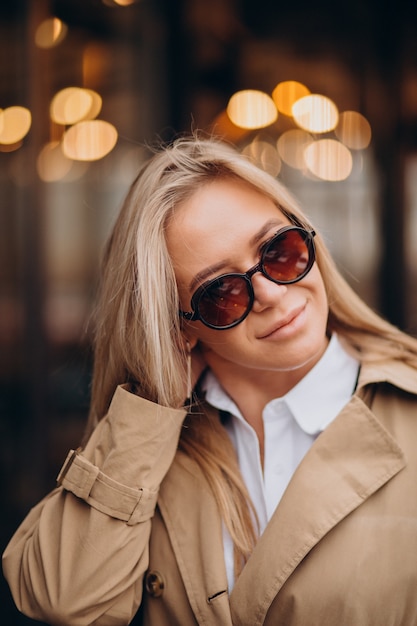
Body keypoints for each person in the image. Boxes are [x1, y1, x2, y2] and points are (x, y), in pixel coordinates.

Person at [3, 135, 417, 626]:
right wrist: (149, 413)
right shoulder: (151, 448)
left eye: (279, 249)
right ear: (179, 326)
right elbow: (65, 600)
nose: (268, 293)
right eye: (220, 292)